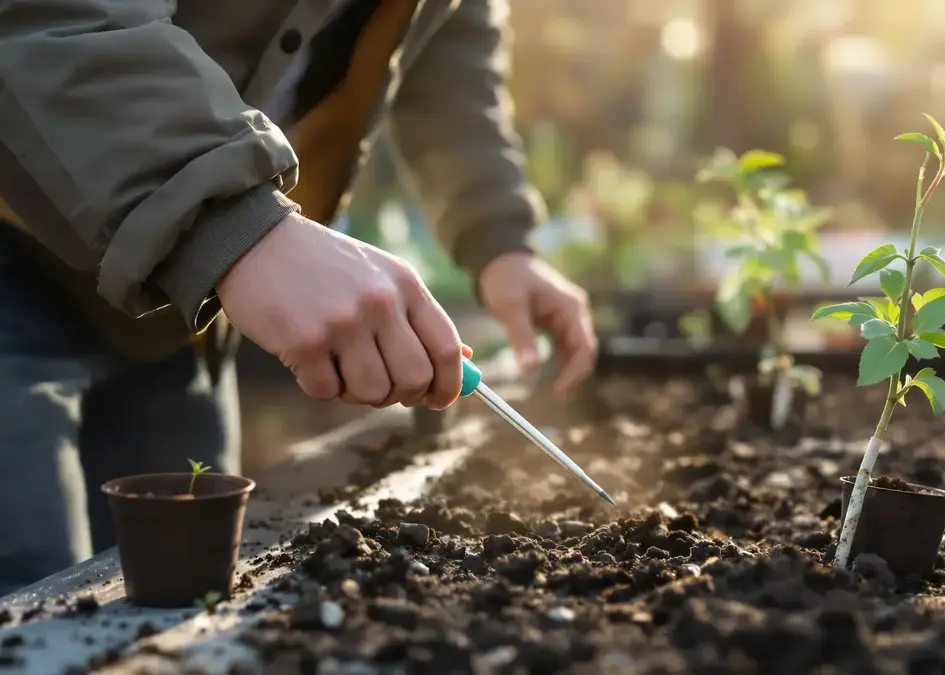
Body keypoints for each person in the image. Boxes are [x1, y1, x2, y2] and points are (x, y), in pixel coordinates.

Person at [0, 0, 597, 595]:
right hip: (25, 250)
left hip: (180, 302)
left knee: (177, 604)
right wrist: (233, 226)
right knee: (26, 613)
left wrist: (499, 237)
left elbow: (447, 28)